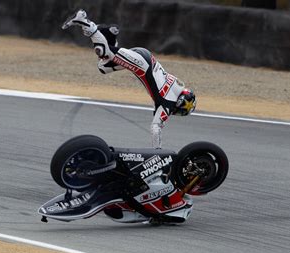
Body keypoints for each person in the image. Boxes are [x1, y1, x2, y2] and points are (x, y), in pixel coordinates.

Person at [62, 10, 196, 149]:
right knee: (104, 51)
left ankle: (110, 35)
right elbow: (156, 128)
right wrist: (158, 151)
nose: (176, 113)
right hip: (141, 65)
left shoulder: (177, 85)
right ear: (180, 104)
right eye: (181, 112)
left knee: (104, 66)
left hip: (144, 57)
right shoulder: (168, 104)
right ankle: (83, 21)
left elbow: (173, 89)